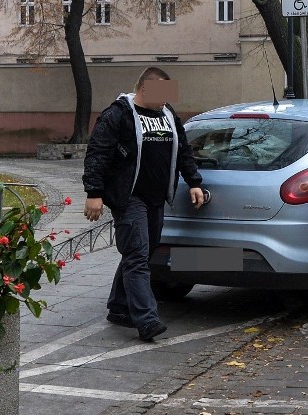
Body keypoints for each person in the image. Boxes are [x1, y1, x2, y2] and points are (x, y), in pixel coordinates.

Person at [82, 67, 204, 341]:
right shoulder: (118, 115)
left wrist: (194, 182)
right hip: (129, 197)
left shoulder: (169, 115)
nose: (165, 100)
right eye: (161, 93)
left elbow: (183, 150)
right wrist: (94, 192)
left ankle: (119, 307)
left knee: (140, 254)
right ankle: (146, 319)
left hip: (156, 197)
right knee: (137, 256)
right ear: (144, 89)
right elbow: (97, 153)